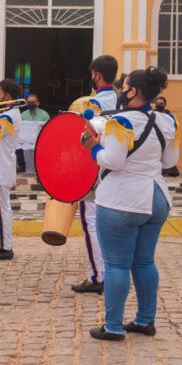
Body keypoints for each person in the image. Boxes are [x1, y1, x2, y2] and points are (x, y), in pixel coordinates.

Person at [78, 67, 176, 340]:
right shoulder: (166, 121)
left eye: (125, 86)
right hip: (156, 196)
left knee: (117, 265)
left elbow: (113, 161)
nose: (122, 90)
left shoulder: (119, 122)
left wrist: (92, 146)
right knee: (144, 262)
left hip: (123, 198)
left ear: (132, 92)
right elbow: (169, 162)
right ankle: (145, 320)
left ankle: (113, 326)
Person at [73, 54, 119, 294]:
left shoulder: (91, 104)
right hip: (116, 167)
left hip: (94, 167)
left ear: (97, 75)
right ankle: (109, 271)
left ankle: (96, 275)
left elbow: (83, 137)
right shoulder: (121, 102)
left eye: (92, 74)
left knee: (90, 221)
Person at [0, 78, 23, 261]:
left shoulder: (7, 116)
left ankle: (4, 247)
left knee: (0, 209)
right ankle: (3, 245)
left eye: (0, 94)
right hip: (2, 165)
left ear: (7, 96)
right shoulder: (9, 114)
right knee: (1, 208)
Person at [16, 93, 49, 173]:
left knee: (40, 165)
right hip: (26, 144)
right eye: (29, 102)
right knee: (28, 165)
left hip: (40, 144)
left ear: (38, 103)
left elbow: (48, 130)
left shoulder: (44, 115)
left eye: (33, 102)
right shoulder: (23, 115)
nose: (31, 104)